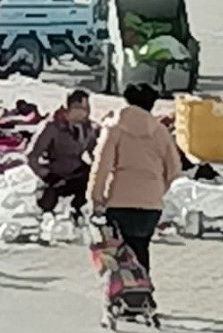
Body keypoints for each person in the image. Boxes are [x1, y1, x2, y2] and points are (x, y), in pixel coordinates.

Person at [88, 83, 183, 273]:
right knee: (141, 248)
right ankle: (142, 289)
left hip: (119, 201)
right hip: (151, 204)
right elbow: (174, 169)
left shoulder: (114, 128)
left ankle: (122, 292)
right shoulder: (160, 131)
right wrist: (158, 190)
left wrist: (96, 199)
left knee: (120, 252)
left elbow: (102, 167)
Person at [27, 90, 96, 232]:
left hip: (76, 171)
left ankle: (78, 209)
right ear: (74, 108)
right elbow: (32, 156)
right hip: (55, 172)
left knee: (89, 176)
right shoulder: (53, 127)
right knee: (49, 197)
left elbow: (94, 152)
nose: (88, 112)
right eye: (84, 109)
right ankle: (46, 215)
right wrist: (44, 173)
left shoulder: (87, 128)